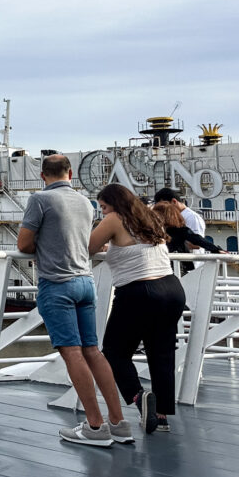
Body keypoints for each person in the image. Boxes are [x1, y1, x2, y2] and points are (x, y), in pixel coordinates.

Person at [18, 154, 129, 446]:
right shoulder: (86, 203)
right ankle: (118, 423)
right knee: (93, 350)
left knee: (72, 353)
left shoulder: (39, 200)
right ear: (70, 175)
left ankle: (94, 426)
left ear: (43, 177)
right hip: (85, 281)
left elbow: (24, 244)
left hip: (57, 284)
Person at [91, 183, 187, 434]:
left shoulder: (113, 218)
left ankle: (138, 396)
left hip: (139, 291)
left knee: (114, 352)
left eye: (102, 206)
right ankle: (161, 415)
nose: (102, 212)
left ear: (113, 203)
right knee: (161, 353)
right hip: (172, 289)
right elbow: (132, 245)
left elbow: (88, 247)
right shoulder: (150, 217)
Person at [153, 200, 222, 273]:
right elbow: (196, 238)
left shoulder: (166, 231)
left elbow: (196, 239)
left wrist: (215, 249)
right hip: (180, 267)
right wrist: (215, 249)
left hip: (172, 267)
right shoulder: (180, 230)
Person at [154, 187, 207, 259]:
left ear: (174, 201)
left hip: (192, 264)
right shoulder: (173, 217)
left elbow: (196, 244)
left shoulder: (192, 217)